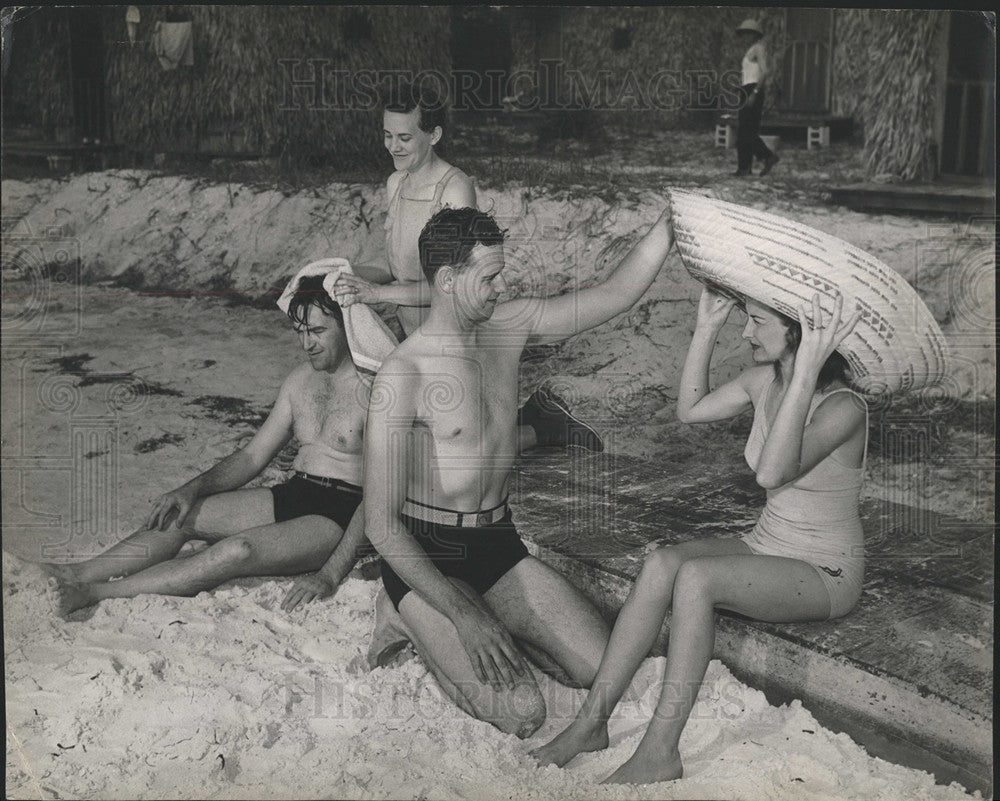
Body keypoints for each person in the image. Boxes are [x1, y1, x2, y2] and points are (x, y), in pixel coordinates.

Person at [361, 205, 678, 737]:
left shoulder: (507, 327)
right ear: (447, 280)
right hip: (428, 554)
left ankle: (487, 618)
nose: (498, 287)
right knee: (524, 713)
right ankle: (404, 613)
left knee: (605, 674)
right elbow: (380, 524)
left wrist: (669, 227)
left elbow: (614, 295)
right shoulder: (405, 373)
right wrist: (464, 615)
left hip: (498, 543)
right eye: (488, 277)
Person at [531, 289, 866, 784]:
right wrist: (706, 327)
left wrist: (806, 370)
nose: (746, 332)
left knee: (697, 580)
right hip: (768, 540)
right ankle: (589, 725)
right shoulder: (761, 381)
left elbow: (773, 471)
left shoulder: (844, 407)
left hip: (826, 570)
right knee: (662, 563)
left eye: (756, 322)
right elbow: (690, 409)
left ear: (798, 332)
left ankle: (660, 752)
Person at [47, 276, 372, 617]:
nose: (307, 343)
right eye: (300, 332)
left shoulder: (373, 390)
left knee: (238, 551)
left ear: (346, 324)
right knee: (178, 516)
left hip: (338, 515)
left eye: (317, 332)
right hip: (295, 491)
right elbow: (252, 456)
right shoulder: (300, 380)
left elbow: (379, 495)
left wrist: (330, 574)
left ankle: (96, 592)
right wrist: (191, 488)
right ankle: (73, 573)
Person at [336, 82, 604, 453]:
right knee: (414, 437)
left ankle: (544, 424)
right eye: (386, 135)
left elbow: (452, 285)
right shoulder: (396, 182)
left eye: (403, 138)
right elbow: (396, 261)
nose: (392, 147)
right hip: (410, 331)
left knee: (462, 447)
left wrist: (377, 294)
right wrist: (345, 275)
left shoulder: (455, 189)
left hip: (450, 333)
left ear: (434, 135)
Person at [733, 19, 779, 177]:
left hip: (753, 89)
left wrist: (755, 92)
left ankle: (768, 156)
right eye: (743, 33)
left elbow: (765, 71)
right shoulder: (751, 49)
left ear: (754, 35)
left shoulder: (758, 48)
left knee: (747, 131)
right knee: (744, 131)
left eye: (748, 33)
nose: (745, 36)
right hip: (747, 88)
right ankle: (744, 168)